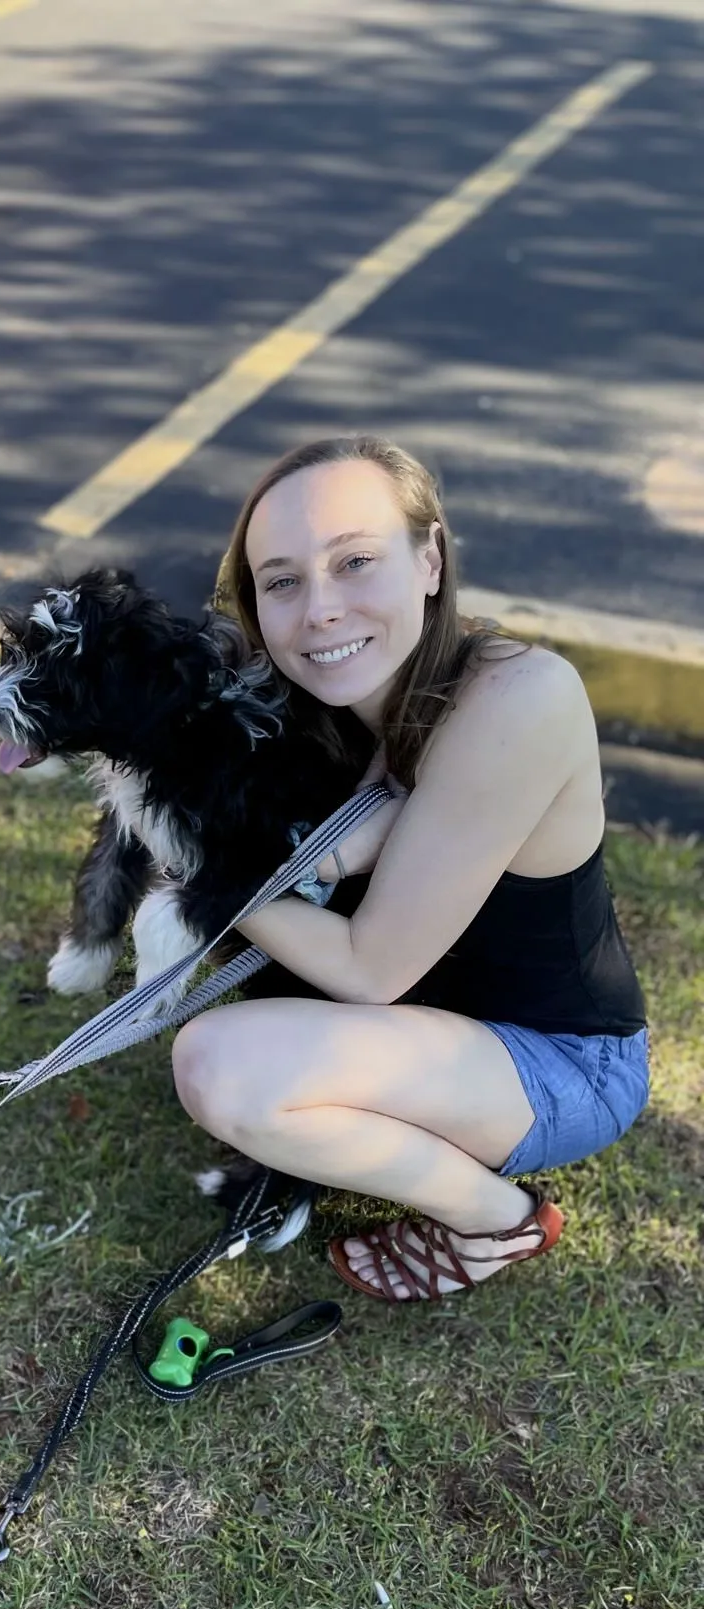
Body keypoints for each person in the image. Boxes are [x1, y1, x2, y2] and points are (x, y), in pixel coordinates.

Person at [171, 435, 649, 1303]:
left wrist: (198, 866)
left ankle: (493, 1219)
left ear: (429, 559)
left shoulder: (517, 700)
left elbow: (367, 969)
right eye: (280, 581)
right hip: (436, 1024)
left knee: (219, 1067)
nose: (318, 609)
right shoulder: (323, 702)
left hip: (558, 1062)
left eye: (353, 561)